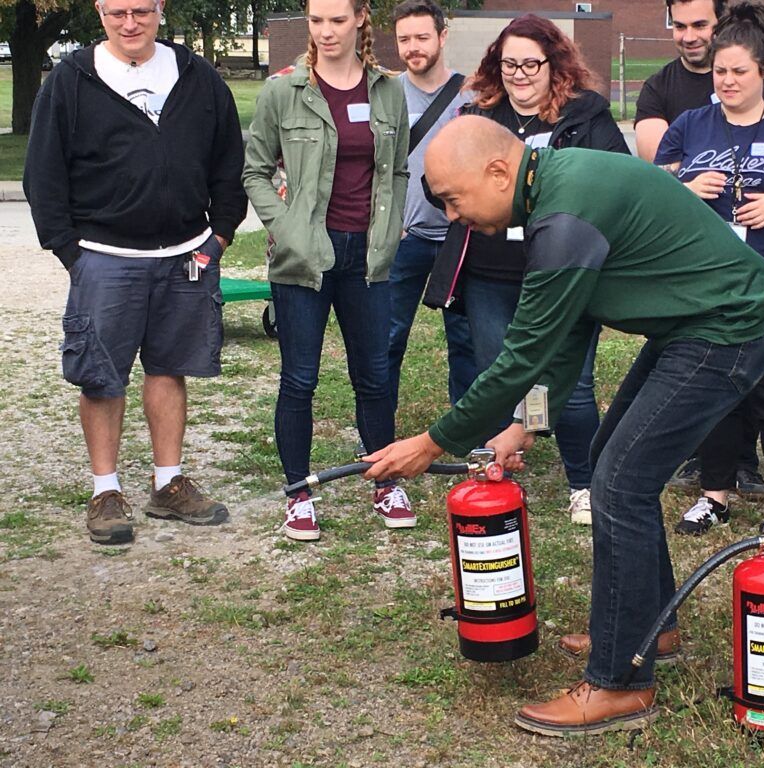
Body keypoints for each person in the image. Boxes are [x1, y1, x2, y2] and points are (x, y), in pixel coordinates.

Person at [365, 115, 764, 735]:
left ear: (499, 171)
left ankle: (619, 685)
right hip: (694, 327)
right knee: (617, 462)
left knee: (618, 483)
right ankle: (652, 629)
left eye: (454, 200)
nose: (452, 217)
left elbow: (521, 357)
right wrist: (525, 428)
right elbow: (564, 338)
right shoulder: (555, 194)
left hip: (727, 330)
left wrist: (433, 443)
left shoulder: (563, 219)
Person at [22, 0, 246, 545]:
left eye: (141, 10)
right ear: (100, 10)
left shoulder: (195, 75)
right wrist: (72, 253)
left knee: (169, 369)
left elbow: (227, 161)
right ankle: (105, 491)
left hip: (184, 254)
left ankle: (168, 484)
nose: (129, 23)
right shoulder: (72, 80)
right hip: (103, 256)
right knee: (102, 377)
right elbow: (42, 174)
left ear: (160, 9)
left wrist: (218, 236)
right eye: (116, 11)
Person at [435, 14, 629, 525]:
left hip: (563, 271)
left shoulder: (587, 117)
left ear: (554, 64)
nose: (519, 74)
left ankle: (584, 481)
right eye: (509, 64)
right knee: (499, 373)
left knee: (573, 381)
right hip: (489, 272)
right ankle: (503, 467)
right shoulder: (478, 117)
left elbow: (610, 186)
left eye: (530, 64)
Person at [656, 0, 764, 535]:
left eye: (738, 71)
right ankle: (715, 495)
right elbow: (653, 195)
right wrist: (686, 188)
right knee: (718, 389)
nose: (727, 81)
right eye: (719, 71)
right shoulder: (691, 125)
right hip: (712, 282)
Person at [242, 0, 411, 541]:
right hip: (303, 257)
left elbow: (399, 169)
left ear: (361, 18)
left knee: (375, 376)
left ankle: (385, 483)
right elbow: (255, 171)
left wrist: (388, 233)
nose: (326, 31)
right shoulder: (282, 91)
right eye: (317, 21)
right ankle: (297, 494)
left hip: (367, 256)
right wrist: (287, 227)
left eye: (337, 20)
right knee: (299, 379)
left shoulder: (387, 90)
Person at [386, 0, 476, 410]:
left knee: (466, 340)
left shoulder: (473, 95)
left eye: (422, 37)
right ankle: (376, 426)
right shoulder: (384, 95)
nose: (412, 47)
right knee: (386, 337)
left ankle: (467, 426)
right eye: (404, 39)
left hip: (462, 239)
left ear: (442, 36)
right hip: (405, 239)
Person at [634, 0, 725, 162]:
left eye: (699, 25)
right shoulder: (656, 89)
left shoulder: (748, 80)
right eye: (680, 27)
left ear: (722, 22)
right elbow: (659, 167)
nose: (689, 38)